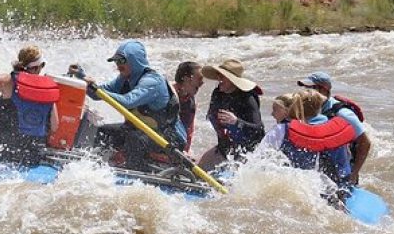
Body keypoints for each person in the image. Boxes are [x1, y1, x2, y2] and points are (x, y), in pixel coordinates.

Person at [86, 40, 186, 171]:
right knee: (102, 132)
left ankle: (136, 175)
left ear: (135, 60)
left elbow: (128, 101)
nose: (118, 65)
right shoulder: (123, 78)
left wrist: (98, 90)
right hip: (144, 131)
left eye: (121, 61)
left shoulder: (152, 81)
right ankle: (95, 167)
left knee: (135, 139)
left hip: (168, 138)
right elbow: (96, 94)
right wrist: (83, 80)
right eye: (116, 61)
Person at [259, 88, 357, 208]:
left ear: (296, 107)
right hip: (335, 192)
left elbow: (259, 157)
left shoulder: (282, 130)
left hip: (303, 193)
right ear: (320, 107)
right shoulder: (336, 131)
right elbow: (344, 168)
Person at [297, 71, 371, 185]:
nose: (305, 92)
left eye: (310, 88)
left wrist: (354, 173)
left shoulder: (343, 114)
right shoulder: (310, 109)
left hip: (342, 171)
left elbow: (365, 142)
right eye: (305, 88)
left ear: (324, 90)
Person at [198, 59, 264, 170]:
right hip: (225, 148)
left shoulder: (248, 98)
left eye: (222, 77)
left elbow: (259, 130)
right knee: (199, 169)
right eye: (218, 76)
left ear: (232, 80)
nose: (219, 80)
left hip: (247, 152)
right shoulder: (217, 93)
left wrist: (236, 122)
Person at [172, 61, 204, 154]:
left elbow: (189, 131)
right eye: (199, 78)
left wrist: (184, 152)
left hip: (178, 149)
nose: (202, 83)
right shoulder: (167, 94)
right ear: (186, 79)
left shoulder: (190, 101)